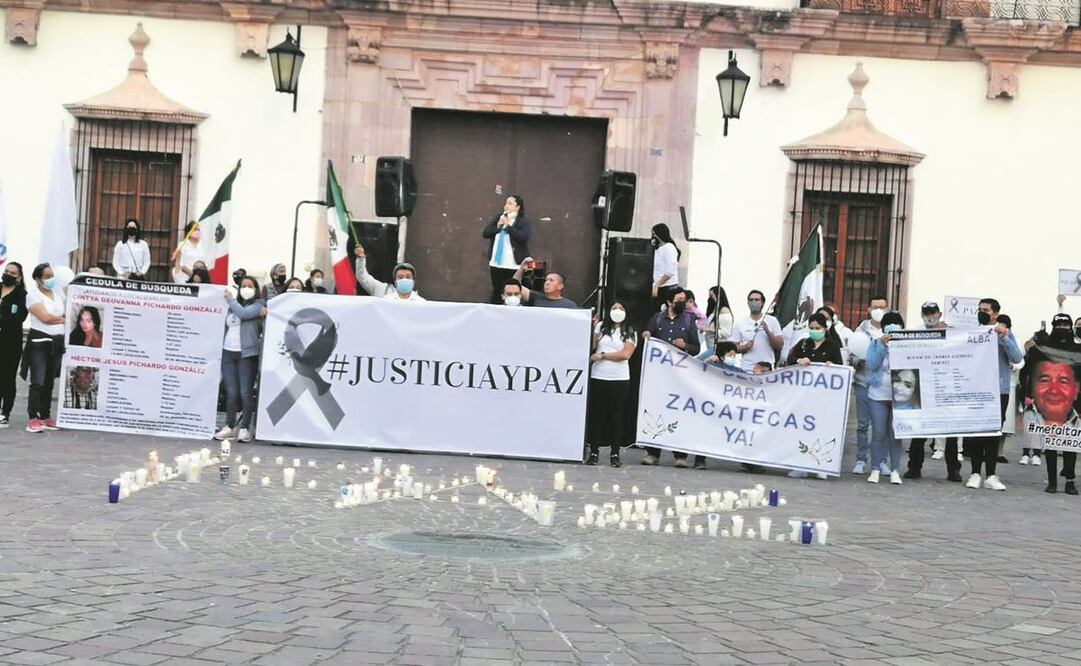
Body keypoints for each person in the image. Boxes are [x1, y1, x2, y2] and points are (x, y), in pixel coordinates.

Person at [961, 298, 1023, 491]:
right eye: (980, 309)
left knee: (994, 432)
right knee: (978, 432)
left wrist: (1003, 336)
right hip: (978, 388)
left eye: (986, 310)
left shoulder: (1005, 332)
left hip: (999, 389)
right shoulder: (973, 332)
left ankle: (991, 474)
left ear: (995, 313)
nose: (982, 312)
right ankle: (975, 473)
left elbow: (1017, 357)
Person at [641, 288, 700, 468]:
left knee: (679, 413)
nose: (682, 302)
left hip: (680, 376)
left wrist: (686, 346)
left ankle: (680, 455)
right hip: (659, 374)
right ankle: (652, 452)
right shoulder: (657, 318)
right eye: (679, 299)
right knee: (656, 411)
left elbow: (696, 347)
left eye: (684, 299)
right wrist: (646, 335)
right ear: (669, 302)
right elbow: (648, 334)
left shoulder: (689, 320)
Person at [902, 304, 962, 481]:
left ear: (939, 314)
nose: (929, 317)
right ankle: (914, 467)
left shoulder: (952, 333)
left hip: (946, 387)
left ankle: (953, 470)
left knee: (951, 432)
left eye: (932, 313)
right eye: (926, 314)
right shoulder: (916, 332)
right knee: (919, 431)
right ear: (921, 314)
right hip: (925, 387)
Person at [1019, 347, 1078, 495]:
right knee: (1051, 445)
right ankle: (1052, 481)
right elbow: (1027, 373)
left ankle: (1070, 481)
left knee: (1070, 446)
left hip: (1072, 408)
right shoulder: (1043, 352)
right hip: (1049, 409)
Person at [585, 301, 637, 468]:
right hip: (599, 375)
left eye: (621, 308)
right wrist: (591, 327)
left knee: (616, 416)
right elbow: (592, 346)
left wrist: (603, 355)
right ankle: (594, 451)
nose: (617, 311)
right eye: (614, 307)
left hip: (619, 378)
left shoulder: (630, 330)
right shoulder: (601, 326)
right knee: (597, 415)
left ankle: (615, 453)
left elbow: (626, 354)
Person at [217, 276, 266, 443]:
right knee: (231, 393)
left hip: (247, 354)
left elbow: (244, 314)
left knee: (245, 392)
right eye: (243, 285)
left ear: (255, 289)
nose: (246, 288)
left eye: (250, 285)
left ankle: (245, 428)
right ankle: (229, 426)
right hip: (228, 353)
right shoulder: (231, 307)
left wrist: (230, 299)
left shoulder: (259, 305)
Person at [23, 263, 66, 433]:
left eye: (52, 275)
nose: (51, 279)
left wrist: (64, 318)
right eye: (47, 276)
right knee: (38, 381)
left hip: (56, 342)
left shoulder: (57, 293)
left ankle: (45, 416)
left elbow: (66, 310)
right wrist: (65, 319)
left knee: (49, 381)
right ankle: (33, 417)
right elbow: (45, 317)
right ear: (38, 279)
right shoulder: (32, 295)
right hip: (39, 342)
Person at [848, 295, 888, 474]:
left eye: (882, 307)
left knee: (882, 427)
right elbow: (852, 356)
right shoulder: (860, 331)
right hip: (864, 382)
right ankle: (861, 459)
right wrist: (862, 361)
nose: (879, 310)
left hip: (885, 386)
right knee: (863, 424)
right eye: (875, 307)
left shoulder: (892, 329)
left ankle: (881, 461)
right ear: (868, 310)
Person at [866, 311, 906, 485]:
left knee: (896, 434)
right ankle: (875, 467)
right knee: (879, 433)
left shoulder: (908, 345)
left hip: (900, 395)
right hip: (878, 394)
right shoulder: (875, 344)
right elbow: (871, 364)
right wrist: (883, 345)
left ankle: (895, 469)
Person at [482, 195, 533, 304]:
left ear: (518, 207)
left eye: (510, 203)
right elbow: (486, 233)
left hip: (514, 265)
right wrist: (499, 227)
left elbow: (523, 237)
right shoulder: (499, 217)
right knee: (497, 291)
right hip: (497, 264)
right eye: (506, 203)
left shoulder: (523, 221)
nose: (506, 206)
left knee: (515, 290)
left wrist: (508, 226)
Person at [0, 261, 27, 428]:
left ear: (19, 277)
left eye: (13, 273)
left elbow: (18, 319)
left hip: (11, 342)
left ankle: (5, 412)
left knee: (7, 377)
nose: (8, 274)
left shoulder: (21, 295)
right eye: (6, 271)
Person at [731, 290, 783, 373]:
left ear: (762, 302)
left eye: (756, 300)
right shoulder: (740, 323)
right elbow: (733, 348)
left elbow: (779, 345)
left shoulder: (772, 321)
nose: (753, 302)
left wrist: (768, 332)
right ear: (748, 303)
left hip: (766, 370)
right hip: (747, 369)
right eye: (751, 300)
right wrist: (745, 347)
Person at [353, 244, 425, 302]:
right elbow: (362, 277)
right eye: (400, 277)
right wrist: (361, 259)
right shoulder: (383, 291)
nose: (404, 279)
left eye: (408, 277)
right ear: (395, 280)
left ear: (413, 280)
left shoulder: (420, 302)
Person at [650, 223, 681, 306]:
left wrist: (657, 284)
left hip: (668, 287)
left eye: (653, 234)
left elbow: (670, 270)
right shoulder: (659, 249)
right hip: (659, 286)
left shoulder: (669, 247)